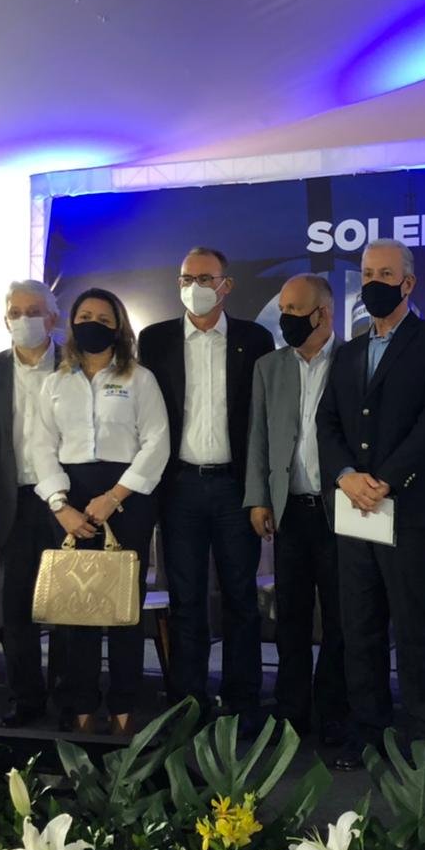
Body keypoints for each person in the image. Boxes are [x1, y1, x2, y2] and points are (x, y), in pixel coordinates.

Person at [316, 237, 425, 770]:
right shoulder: (349, 351)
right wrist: (346, 476)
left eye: (384, 274)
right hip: (355, 507)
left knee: (414, 623)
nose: (373, 282)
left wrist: (386, 479)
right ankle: (370, 732)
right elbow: (327, 422)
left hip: (408, 506)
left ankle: (424, 735)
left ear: (408, 282)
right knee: (359, 626)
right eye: (366, 274)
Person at [138, 248, 274, 725]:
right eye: (186, 278)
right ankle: (187, 702)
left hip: (235, 487)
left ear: (225, 285)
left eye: (204, 278)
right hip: (179, 486)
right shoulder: (155, 340)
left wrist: (260, 490)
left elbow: (263, 419)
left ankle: (243, 702)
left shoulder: (254, 339)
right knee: (186, 599)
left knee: (241, 598)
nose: (194, 287)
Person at [29, 287, 170, 736]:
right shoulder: (54, 382)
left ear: (118, 327)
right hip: (70, 500)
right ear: (72, 324)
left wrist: (114, 497)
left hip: (127, 497)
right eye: (85, 316)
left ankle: (125, 709)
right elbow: (40, 448)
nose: (93, 324)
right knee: (77, 613)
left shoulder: (140, 379)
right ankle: (82, 708)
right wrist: (60, 506)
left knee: (124, 609)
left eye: (104, 318)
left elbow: (156, 443)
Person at [244, 273, 348, 746]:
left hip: (341, 510)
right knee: (291, 616)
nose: (285, 318)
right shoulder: (269, 367)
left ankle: (333, 709)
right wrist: (258, 497)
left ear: (322, 313)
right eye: (283, 309)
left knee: (341, 617)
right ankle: (291, 711)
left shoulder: (353, 360)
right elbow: (259, 438)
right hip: (289, 511)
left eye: (294, 310)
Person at [0, 281, 62, 728]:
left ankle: (67, 696)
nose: (24, 320)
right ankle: (25, 697)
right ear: (5, 319)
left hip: (65, 502)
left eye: (34, 311)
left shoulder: (77, 362)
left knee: (67, 606)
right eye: (15, 312)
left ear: (53, 318)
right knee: (16, 609)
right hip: (13, 502)